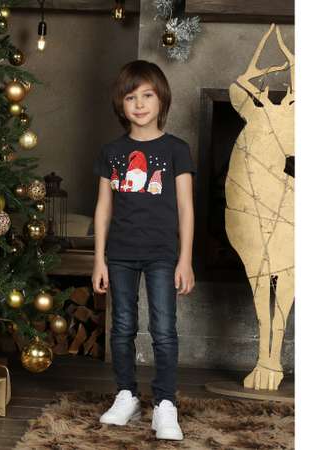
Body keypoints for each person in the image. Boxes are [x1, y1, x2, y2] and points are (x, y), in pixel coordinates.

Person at [92, 60, 196, 441]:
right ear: (120, 104)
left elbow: (186, 208)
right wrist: (99, 259)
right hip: (119, 253)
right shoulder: (111, 152)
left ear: (161, 99)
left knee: (163, 330)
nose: (139, 104)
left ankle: (165, 403)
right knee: (122, 327)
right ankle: (127, 394)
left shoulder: (176, 150)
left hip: (162, 255)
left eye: (147, 95)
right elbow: (103, 209)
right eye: (130, 97)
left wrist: (186, 259)